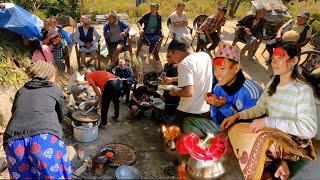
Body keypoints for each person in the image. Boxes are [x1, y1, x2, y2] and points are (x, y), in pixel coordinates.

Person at [222, 42, 317, 180]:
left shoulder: (302, 90)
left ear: (294, 60)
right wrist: (237, 116)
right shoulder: (273, 83)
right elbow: (260, 108)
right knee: (235, 129)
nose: (275, 62)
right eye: (273, 58)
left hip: (294, 141)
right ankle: (280, 164)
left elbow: (309, 129)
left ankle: (269, 169)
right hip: (272, 132)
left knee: (260, 142)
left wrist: (268, 121)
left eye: (280, 58)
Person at [3, 61, 71, 179]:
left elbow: (15, 112)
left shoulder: (22, 90)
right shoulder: (54, 89)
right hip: (44, 140)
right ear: (48, 75)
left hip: (13, 142)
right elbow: (61, 115)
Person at [183, 42, 263, 137]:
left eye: (222, 68)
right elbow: (217, 121)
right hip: (223, 130)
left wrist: (223, 106)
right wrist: (215, 105)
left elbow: (245, 126)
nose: (217, 74)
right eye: (215, 68)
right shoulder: (218, 88)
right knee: (187, 122)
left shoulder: (252, 93)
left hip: (244, 135)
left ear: (236, 68)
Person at [167, 38, 212, 127]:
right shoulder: (205, 56)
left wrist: (174, 92)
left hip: (188, 112)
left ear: (177, 53)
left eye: (171, 56)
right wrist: (173, 79)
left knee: (182, 140)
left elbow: (188, 92)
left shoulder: (184, 64)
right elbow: (196, 77)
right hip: (205, 110)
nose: (172, 60)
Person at [162, 53, 180, 124]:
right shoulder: (166, 66)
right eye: (167, 56)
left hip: (175, 93)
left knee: (172, 113)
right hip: (168, 92)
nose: (167, 58)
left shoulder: (177, 67)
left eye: (169, 57)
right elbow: (164, 76)